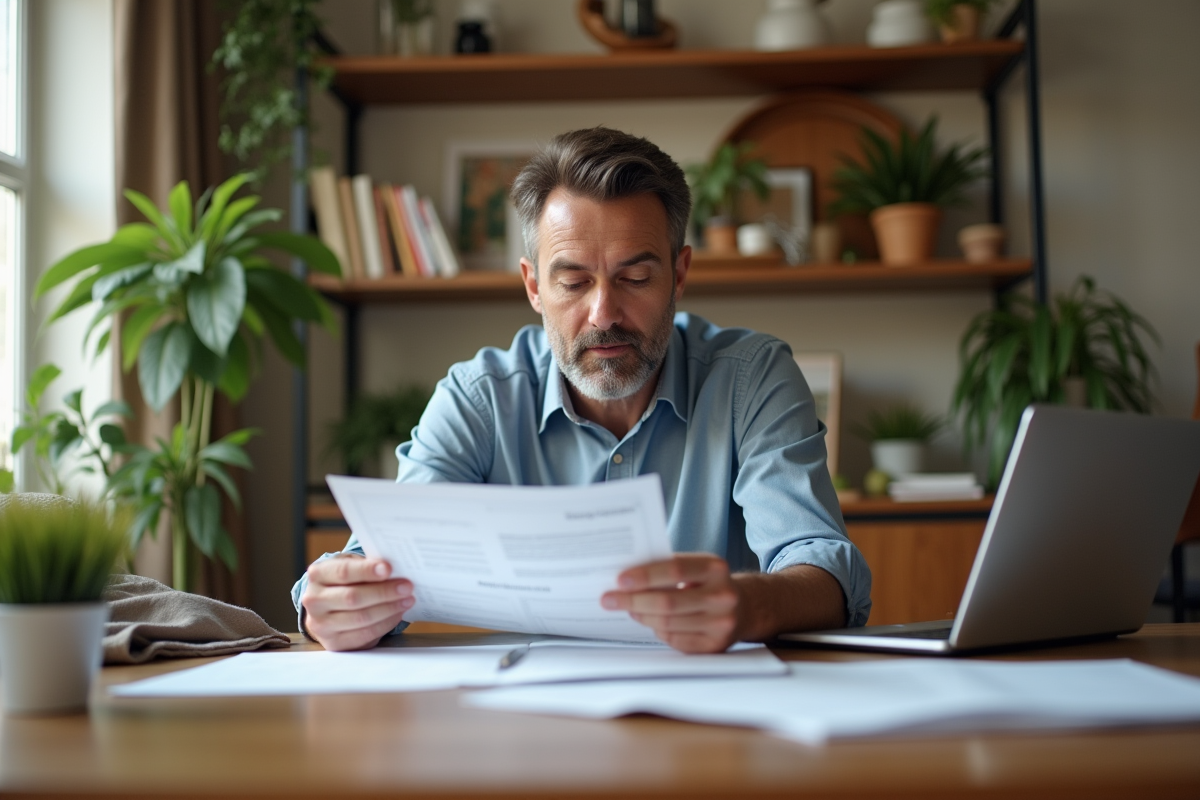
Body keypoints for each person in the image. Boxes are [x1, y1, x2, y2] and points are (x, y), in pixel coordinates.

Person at [292, 127, 871, 653]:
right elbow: (381, 559)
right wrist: (337, 606)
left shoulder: (752, 379)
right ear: (533, 286)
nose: (604, 314)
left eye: (635, 278)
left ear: (680, 275)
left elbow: (826, 570)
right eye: (573, 282)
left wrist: (748, 604)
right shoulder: (480, 398)